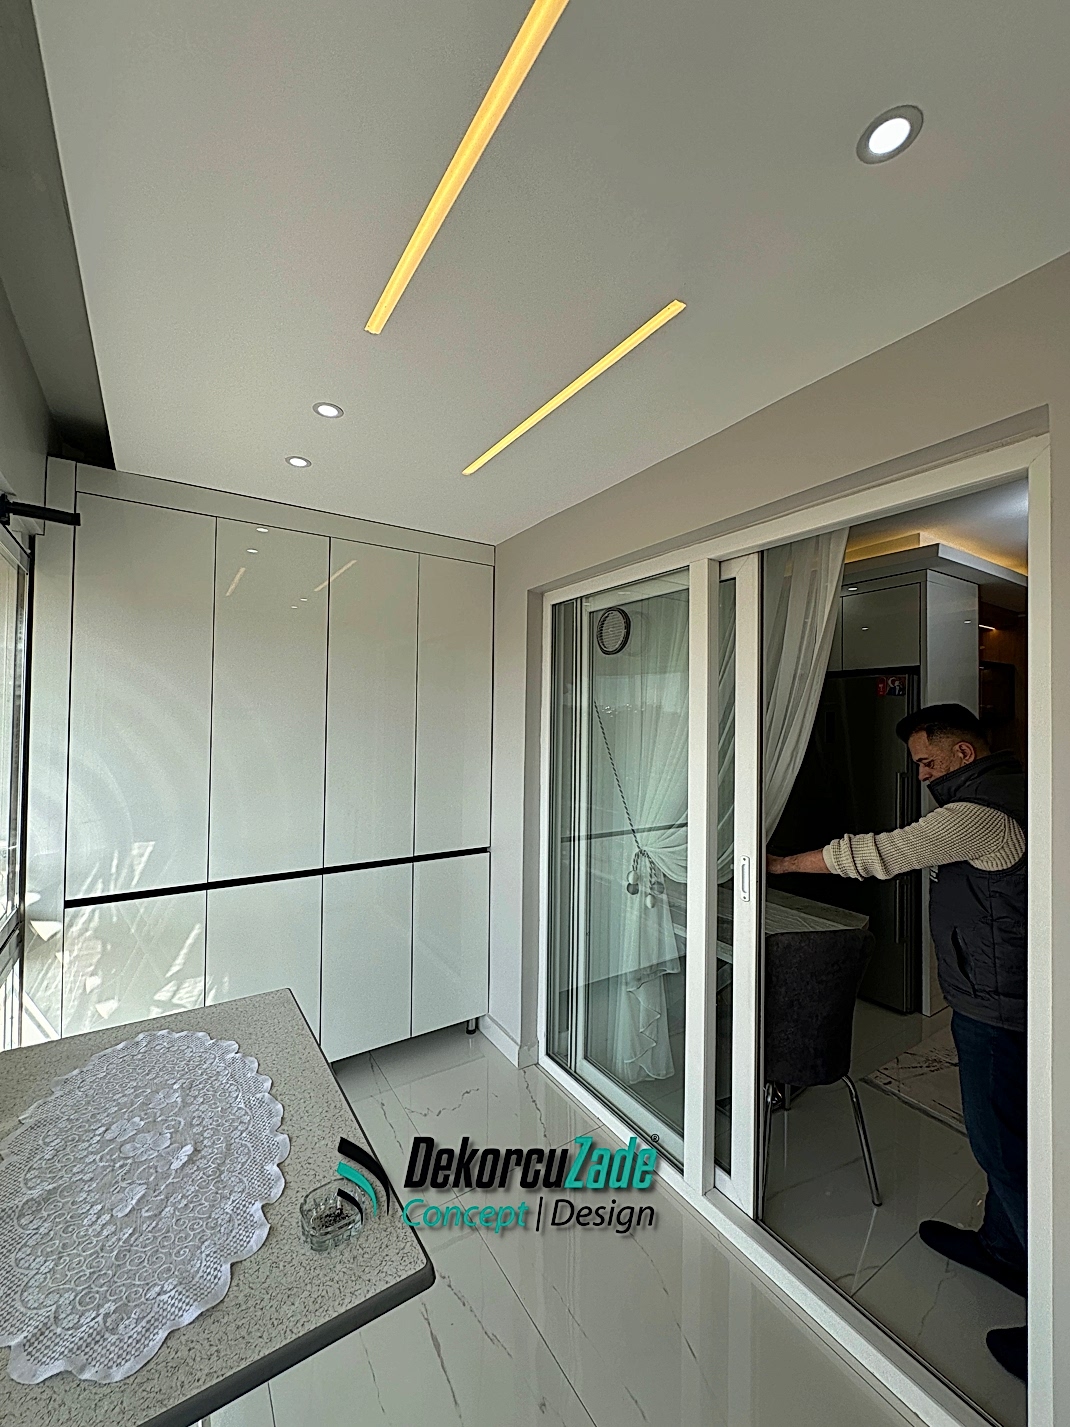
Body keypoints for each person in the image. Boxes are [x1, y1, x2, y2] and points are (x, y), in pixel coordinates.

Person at [767, 703, 1027, 1382]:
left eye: (928, 762)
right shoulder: (1009, 789)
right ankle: (1004, 1248)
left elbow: (878, 854)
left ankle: (1057, 1317)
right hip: (995, 991)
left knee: (1005, 1149)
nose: (922, 775)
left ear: (964, 753)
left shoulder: (979, 812)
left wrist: (781, 863)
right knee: (1004, 1136)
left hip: (1001, 1004)